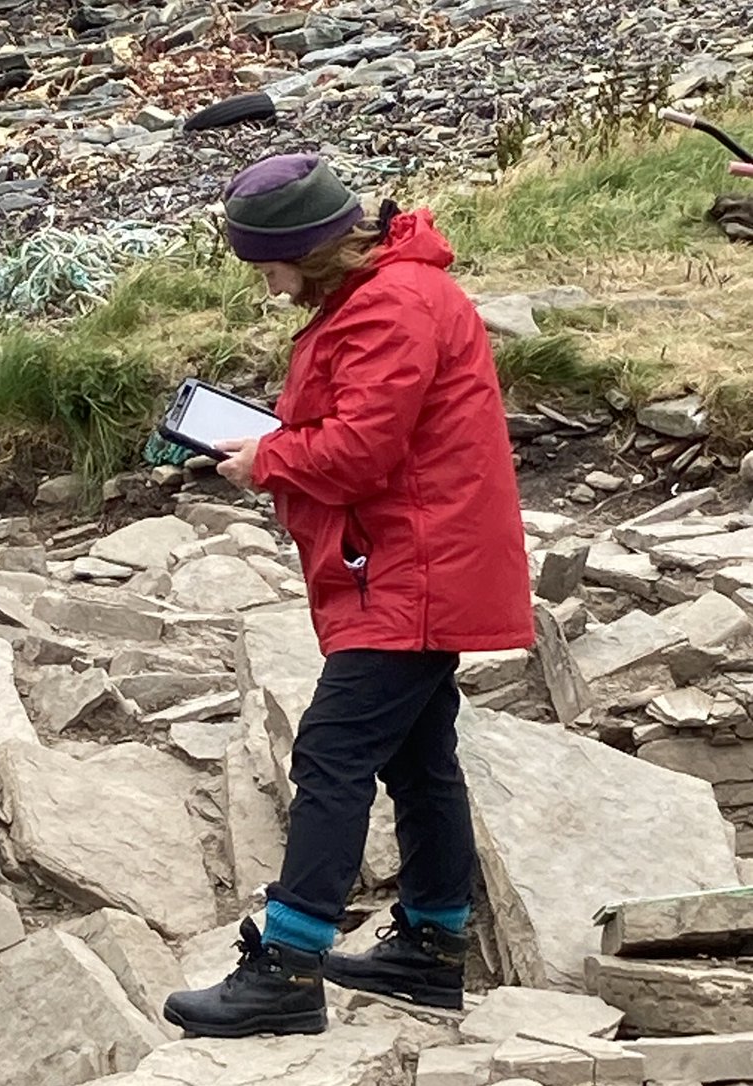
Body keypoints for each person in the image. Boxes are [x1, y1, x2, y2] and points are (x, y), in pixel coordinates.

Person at [164, 153, 534, 1039]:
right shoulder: (383, 294)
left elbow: (361, 452)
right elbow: (365, 429)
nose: (266, 283)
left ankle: (287, 970)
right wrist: (278, 445)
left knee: (331, 753)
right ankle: (431, 949)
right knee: (418, 758)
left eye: (268, 265)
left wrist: (267, 458)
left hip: (412, 567)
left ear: (308, 249)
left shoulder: (388, 305)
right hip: (412, 558)